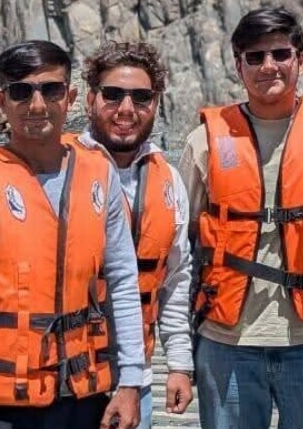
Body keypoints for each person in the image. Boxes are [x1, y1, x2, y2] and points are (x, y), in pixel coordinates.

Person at [0, 40, 144, 429]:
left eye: (51, 89)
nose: (37, 104)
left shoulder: (100, 173)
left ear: (71, 97)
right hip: (3, 404)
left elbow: (123, 281)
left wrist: (130, 381)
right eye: (21, 91)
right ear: (1, 99)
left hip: (86, 395)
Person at [178, 7, 303, 429]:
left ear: (301, 59)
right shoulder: (203, 141)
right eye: (254, 57)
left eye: (280, 53)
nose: (268, 66)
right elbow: (179, 248)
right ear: (238, 65)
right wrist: (179, 354)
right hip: (226, 342)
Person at [75, 41, 195, 429]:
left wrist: (178, 364)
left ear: (156, 103)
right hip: (61, 383)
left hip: (135, 381)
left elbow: (175, 280)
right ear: (90, 99)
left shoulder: (169, 180)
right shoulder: (57, 168)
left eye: (141, 97)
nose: (127, 109)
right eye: (112, 95)